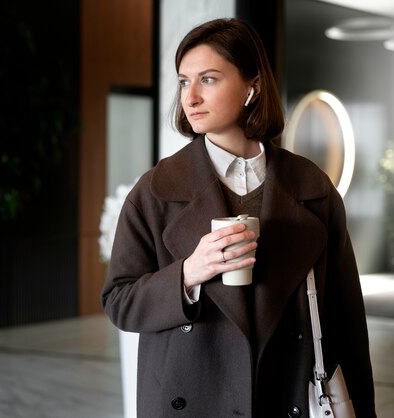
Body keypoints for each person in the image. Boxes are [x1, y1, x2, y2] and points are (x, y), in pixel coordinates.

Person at [101, 18, 376, 417]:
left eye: (208, 79)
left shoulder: (311, 187)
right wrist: (189, 274)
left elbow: (347, 320)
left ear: (254, 86)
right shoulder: (157, 189)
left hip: (289, 394)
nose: (190, 97)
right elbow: (119, 301)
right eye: (183, 82)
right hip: (193, 399)